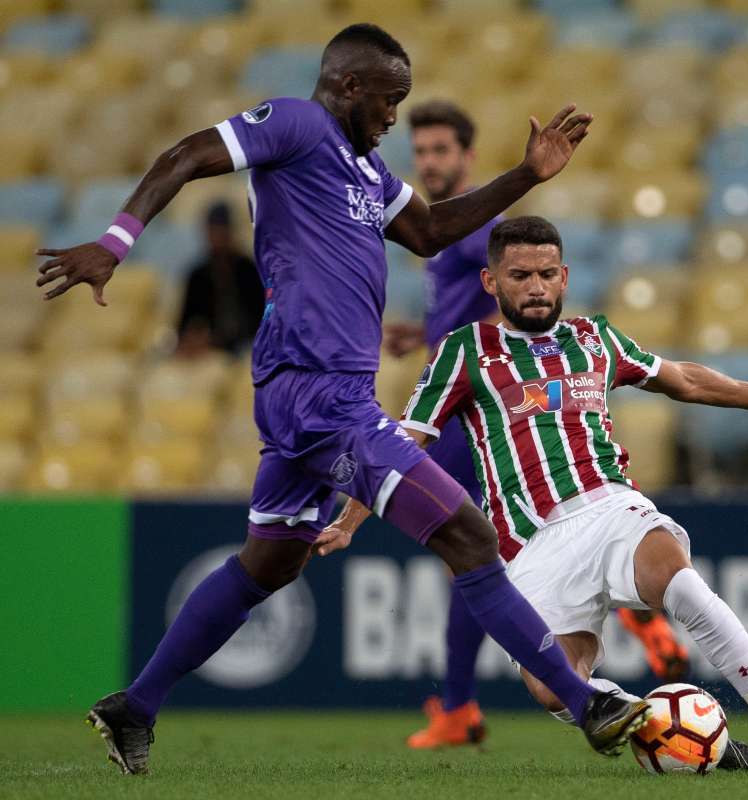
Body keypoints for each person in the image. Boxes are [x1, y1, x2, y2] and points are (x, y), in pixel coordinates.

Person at [35, 23, 649, 775]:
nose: (395, 116)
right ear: (350, 86)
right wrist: (116, 240)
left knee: (270, 565)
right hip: (320, 394)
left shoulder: (368, 173)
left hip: (316, 392)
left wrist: (526, 176)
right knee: (468, 534)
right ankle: (585, 704)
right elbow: (187, 154)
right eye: (389, 100)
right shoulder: (296, 124)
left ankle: (135, 705)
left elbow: (427, 231)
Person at [317, 216, 748, 773]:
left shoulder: (594, 338)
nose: (535, 286)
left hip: (610, 507)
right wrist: (350, 519)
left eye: (547, 273)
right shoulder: (466, 350)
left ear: (565, 277)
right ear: (491, 283)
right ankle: (696, 739)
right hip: (530, 547)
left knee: (685, 588)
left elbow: (684, 378)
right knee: (555, 689)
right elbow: (404, 444)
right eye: (521, 274)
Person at [393, 100, 689, 750]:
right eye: (422, 151)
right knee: (467, 561)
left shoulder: (473, 234)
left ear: (468, 157)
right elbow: (473, 325)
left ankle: (462, 706)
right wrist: (421, 334)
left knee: (470, 558)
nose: (430, 163)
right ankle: (462, 704)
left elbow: (514, 323)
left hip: (483, 428)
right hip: (470, 416)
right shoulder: (444, 241)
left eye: (443, 150)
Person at [176, 201, 264, 357]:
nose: (216, 237)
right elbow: (185, 322)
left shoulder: (248, 270)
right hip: (206, 352)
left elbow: (260, 318)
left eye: (221, 231)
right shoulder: (198, 275)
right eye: (212, 231)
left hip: (244, 347)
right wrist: (194, 336)